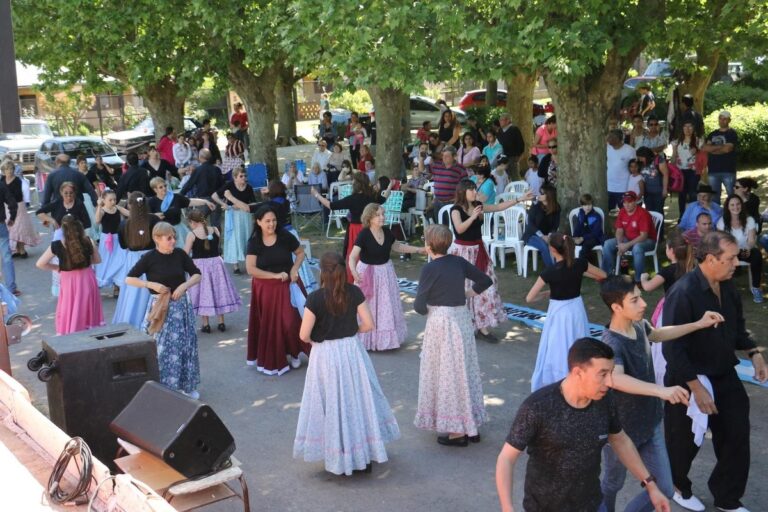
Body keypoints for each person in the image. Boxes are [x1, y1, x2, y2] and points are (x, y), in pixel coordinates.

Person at [495, 338, 671, 512]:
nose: (610, 383)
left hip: (593, 505)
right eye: (603, 374)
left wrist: (651, 486)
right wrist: (507, 507)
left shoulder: (605, 400)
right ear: (578, 372)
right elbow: (506, 458)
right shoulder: (538, 406)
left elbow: (620, 440)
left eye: (611, 373)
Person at [662, 231, 768, 512]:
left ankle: (727, 498)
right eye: (730, 258)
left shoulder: (728, 286)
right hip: (687, 378)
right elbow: (671, 348)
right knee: (683, 441)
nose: (736, 263)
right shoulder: (683, 292)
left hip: (723, 373)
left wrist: (755, 353)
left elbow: (738, 327)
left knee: (736, 434)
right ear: (711, 259)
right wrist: (696, 388)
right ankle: (678, 487)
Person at [599, 276, 723, 512]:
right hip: (620, 431)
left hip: (651, 422)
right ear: (616, 307)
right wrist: (661, 391)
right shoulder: (611, 343)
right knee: (613, 483)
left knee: (665, 488)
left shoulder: (638, 325)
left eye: (640, 297)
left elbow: (657, 334)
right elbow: (616, 378)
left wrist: (698, 324)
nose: (644, 303)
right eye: (635, 300)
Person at [293, 252, 400, 475]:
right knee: (356, 401)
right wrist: (351, 331)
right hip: (351, 351)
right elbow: (369, 324)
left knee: (333, 403)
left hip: (325, 355)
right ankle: (363, 454)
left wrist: (318, 339)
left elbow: (303, 335)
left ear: (323, 272)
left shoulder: (315, 298)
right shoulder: (354, 292)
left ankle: (340, 455)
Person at [414, 225, 492, 446]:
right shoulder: (458, 262)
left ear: (429, 246)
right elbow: (485, 280)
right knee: (465, 370)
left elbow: (419, 305)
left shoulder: (429, 269)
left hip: (442, 323)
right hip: (462, 320)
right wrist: (467, 293)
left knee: (447, 374)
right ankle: (470, 424)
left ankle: (457, 431)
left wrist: (430, 308)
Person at [450, 179, 534, 341]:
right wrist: (473, 217)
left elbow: (498, 207)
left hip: (479, 250)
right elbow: (459, 229)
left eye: (475, 189)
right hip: (463, 252)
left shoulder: (477, 205)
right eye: (471, 190)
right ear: (463, 192)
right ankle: (466, 325)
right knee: (464, 288)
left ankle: (483, 326)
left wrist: (519, 199)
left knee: (488, 284)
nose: (475, 192)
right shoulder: (456, 209)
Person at [125, 222, 202, 397]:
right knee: (161, 348)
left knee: (185, 345)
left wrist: (184, 285)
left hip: (181, 308)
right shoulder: (149, 257)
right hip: (160, 308)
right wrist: (151, 285)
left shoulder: (180, 254)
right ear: (157, 239)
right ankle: (165, 388)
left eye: (174, 237)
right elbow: (129, 279)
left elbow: (197, 274)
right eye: (169, 238)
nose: (173, 241)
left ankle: (187, 385)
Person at [526, 232, 606, 391]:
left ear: (552, 250)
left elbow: (529, 298)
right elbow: (602, 275)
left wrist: (545, 294)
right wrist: (582, 272)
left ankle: (560, 378)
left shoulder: (549, 272)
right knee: (578, 339)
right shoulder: (580, 264)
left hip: (558, 312)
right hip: (576, 309)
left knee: (558, 346)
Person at [348, 204, 425, 351]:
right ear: (369, 218)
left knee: (385, 305)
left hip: (385, 273)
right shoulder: (364, 234)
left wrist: (418, 249)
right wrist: (353, 272)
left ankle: (384, 341)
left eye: (383, 214)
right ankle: (367, 338)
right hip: (368, 274)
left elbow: (398, 247)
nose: (382, 217)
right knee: (369, 306)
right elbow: (352, 257)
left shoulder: (387, 232)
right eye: (378, 215)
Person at [246, 205, 310, 375]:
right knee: (272, 326)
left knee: (291, 322)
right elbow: (251, 269)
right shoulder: (254, 242)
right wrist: (273, 276)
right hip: (266, 289)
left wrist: (294, 269)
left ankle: (294, 352)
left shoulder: (285, 236)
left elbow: (300, 253)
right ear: (258, 222)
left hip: (288, 285)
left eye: (274, 220)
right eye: (267, 221)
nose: (271, 224)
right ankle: (277, 356)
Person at [640, 230, 696, 385]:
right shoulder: (692, 269)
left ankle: (661, 373)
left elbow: (648, 287)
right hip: (689, 309)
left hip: (670, 311)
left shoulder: (668, 270)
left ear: (671, 251)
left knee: (665, 341)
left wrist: (643, 278)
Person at [36, 215, 103, 335]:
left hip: (69, 281)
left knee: (70, 307)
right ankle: (91, 331)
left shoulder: (56, 245)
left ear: (62, 229)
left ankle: (71, 331)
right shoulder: (88, 240)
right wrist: (84, 262)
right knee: (87, 306)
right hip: (87, 279)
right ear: (79, 227)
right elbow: (97, 260)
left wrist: (58, 268)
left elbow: (40, 264)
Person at [312, 173, 380, 282]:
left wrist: (316, 195)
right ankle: (369, 279)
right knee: (369, 254)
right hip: (369, 229)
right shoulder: (372, 197)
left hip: (356, 230)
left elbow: (331, 205)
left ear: (356, 184)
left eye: (353, 181)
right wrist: (388, 187)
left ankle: (355, 279)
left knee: (354, 256)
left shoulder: (352, 199)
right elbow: (383, 199)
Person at [184, 210, 241, 333]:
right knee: (218, 290)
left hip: (199, 266)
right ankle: (221, 322)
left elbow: (185, 254)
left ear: (193, 222)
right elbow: (216, 246)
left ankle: (206, 324)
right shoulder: (215, 230)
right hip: (216, 264)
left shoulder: (191, 235)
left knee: (203, 293)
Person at [112, 192, 159, 328]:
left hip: (133, 260)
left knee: (133, 292)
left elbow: (123, 245)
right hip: (153, 258)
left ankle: (132, 320)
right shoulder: (154, 220)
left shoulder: (124, 224)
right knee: (153, 289)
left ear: (129, 205)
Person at [716, 194, 763, 303]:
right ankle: (724, 289)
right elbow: (720, 242)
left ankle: (756, 288)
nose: (735, 207)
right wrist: (731, 251)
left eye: (738, 204)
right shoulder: (722, 221)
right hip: (728, 252)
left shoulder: (749, 220)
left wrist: (748, 248)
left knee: (756, 254)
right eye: (732, 205)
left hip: (743, 251)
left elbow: (751, 240)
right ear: (728, 207)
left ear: (741, 205)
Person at [148, 177, 213, 250]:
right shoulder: (151, 202)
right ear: (155, 189)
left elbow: (190, 201)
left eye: (165, 186)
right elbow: (146, 217)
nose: (164, 188)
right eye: (161, 187)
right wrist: (154, 216)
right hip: (163, 232)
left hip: (179, 230)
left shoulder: (175, 197)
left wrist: (205, 202)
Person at [212, 166, 255, 274]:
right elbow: (214, 196)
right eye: (241, 176)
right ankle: (235, 266)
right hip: (233, 215)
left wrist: (241, 206)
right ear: (235, 177)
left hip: (245, 216)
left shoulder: (249, 188)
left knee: (246, 237)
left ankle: (249, 263)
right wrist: (225, 204)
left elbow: (253, 203)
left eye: (245, 176)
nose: (244, 178)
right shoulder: (229, 186)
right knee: (234, 238)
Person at [94, 190, 129, 295]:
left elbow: (129, 214)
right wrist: (99, 206)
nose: (113, 202)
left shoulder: (117, 208)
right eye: (110, 200)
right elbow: (97, 220)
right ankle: (100, 282)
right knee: (106, 261)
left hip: (118, 238)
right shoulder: (102, 210)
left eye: (114, 199)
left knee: (119, 261)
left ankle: (116, 285)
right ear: (104, 200)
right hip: (107, 240)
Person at [2, 160, 38, 258]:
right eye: (7, 169)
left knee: (20, 228)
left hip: (18, 206)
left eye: (11, 168)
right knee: (11, 229)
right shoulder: (2, 180)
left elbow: (21, 195)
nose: (9, 171)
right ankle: (17, 250)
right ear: (3, 170)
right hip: (6, 207)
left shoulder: (18, 180)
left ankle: (22, 250)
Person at [521, 184, 561, 268]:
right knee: (544, 246)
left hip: (547, 235)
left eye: (542, 193)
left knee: (557, 244)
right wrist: (542, 236)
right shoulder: (535, 206)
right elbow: (530, 224)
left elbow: (555, 225)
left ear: (549, 195)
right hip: (532, 235)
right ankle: (552, 270)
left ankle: (559, 267)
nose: (539, 195)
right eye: (539, 192)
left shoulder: (556, 207)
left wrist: (549, 235)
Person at [702, 111, 738, 203]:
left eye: (725, 119)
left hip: (728, 170)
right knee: (714, 199)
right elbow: (705, 148)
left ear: (729, 120)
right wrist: (721, 147)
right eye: (720, 118)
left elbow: (727, 149)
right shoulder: (712, 134)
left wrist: (713, 149)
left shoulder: (732, 133)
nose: (722, 121)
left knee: (733, 197)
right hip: (713, 171)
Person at [671, 121, 702, 218]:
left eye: (690, 126)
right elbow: (674, 156)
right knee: (682, 194)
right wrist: (671, 168)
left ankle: (693, 217)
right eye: (685, 126)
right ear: (682, 128)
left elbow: (703, 158)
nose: (687, 129)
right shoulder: (677, 142)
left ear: (693, 128)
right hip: (680, 172)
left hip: (693, 171)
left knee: (693, 194)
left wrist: (697, 151)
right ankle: (682, 216)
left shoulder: (698, 141)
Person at [430, 146, 468, 223]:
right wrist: (421, 159)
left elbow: (465, 186)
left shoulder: (460, 168)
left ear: (454, 157)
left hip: (452, 203)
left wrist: (459, 201)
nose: (444, 158)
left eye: (447, 156)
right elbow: (422, 171)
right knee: (439, 227)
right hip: (438, 202)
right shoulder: (437, 165)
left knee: (451, 226)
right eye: (443, 155)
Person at [606, 129, 637, 211]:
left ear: (618, 138)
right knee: (608, 209)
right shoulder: (606, 148)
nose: (608, 139)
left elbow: (634, 166)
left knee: (625, 210)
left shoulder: (630, 150)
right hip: (608, 186)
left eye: (611, 137)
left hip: (623, 187)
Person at [636, 146, 668, 216]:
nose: (640, 159)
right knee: (649, 212)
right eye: (639, 157)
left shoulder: (659, 160)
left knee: (658, 211)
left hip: (659, 192)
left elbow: (665, 174)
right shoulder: (640, 163)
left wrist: (665, 189)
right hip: (647, 192)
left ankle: (659, 223)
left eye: (641, 157)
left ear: (646, 156)